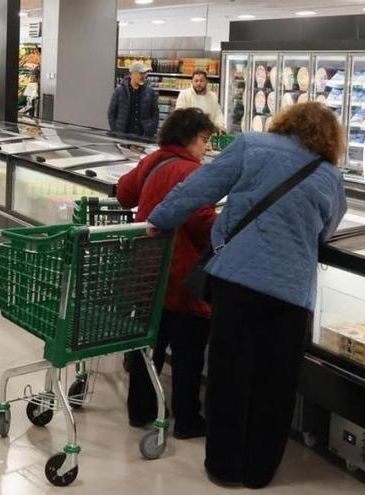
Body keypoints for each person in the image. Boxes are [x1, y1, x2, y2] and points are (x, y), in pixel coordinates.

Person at [147, 102, 348, 489]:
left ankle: (224, 468)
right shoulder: (329, 176)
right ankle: (259, 472)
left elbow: (197, 189)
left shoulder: (252, 145)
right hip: (291, 293)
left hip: (237, 281)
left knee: (229, 374)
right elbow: (325, 233)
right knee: (276, 382)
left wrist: (159, 219)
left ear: (285, 123)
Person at [116, 108, 218, 439]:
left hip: (146, 269)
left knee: (149, 344)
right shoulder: (192, 172)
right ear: (191, 138)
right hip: (183, 274)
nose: (206, 148)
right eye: (205, 140)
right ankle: (187, 420)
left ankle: (140, 410)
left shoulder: (153, 160)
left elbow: (123, 194)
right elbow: (201, 223)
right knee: (188, 350)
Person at [108, 61, 159, 139]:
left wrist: (150, 132)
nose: (144, 76)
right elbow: (111, 114)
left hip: (143, 139)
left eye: (145, 73)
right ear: (132, 73)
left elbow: (155, 115)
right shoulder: (119, 91)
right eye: (141, 73)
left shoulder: (150, 92)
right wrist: (117, 133)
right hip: (123, 139)